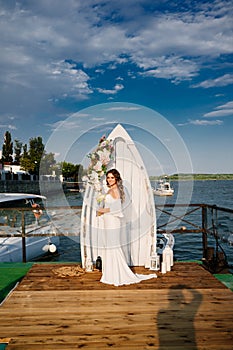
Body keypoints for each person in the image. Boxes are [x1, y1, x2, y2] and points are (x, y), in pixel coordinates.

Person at [96, 169, 157, 286]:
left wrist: (101, 210)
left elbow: (117, 208)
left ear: (116, 179)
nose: (109, 179)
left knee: (113, 246)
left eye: (112, 177)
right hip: (109, 220)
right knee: (110, 246)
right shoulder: (112, 190)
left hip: (113, 221)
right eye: (108, 177)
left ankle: (116, 274)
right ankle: (110, 272)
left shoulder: (115, 190)